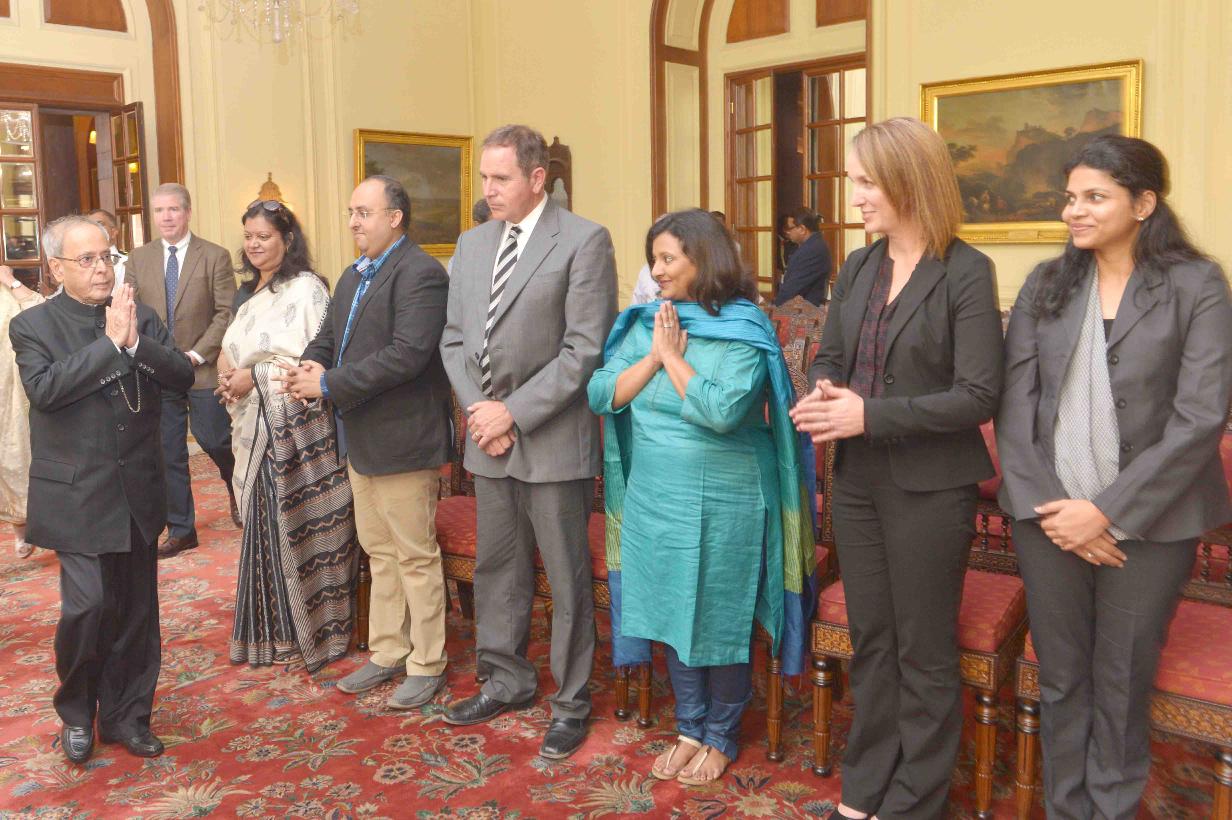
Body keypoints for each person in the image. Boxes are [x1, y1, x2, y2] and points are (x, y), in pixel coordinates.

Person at [996, 135, 1232, 819]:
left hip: (1153, 523)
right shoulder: (1046, 283)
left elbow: (1200, 416)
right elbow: (1015, 409)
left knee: (1123, 682)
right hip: (1048, 520)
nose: (1073, 210)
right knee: (1062, 677)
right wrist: (1054, 509)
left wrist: (1105, 512)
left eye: (1094, 197)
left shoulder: (1197, 284)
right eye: (1070, 197)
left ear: (1144, 203)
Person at [790, 117, 1004, 820]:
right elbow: (831, 356)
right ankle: (866, 787)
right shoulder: (858, 266)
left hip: (931, 488)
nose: (854, 197)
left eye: (865, 183)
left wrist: (869, 415)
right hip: (856, 482)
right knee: (872, 640)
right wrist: (824, 392)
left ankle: (916, 800)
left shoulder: (966, 271)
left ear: (909, 181)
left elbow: (979, 395)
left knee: (923, 650)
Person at [588, 209, 817, 784]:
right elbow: (600, 392)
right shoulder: (647, 322)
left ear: (704, 259)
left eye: (669, 258)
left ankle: (720, 734)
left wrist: (672, 358)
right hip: (653, 498)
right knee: (670, 608)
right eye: (654, 260)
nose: (657, 271)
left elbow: (721, 411)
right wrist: (652, 354)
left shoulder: (744, 326)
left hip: (727, 497)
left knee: (719, 612)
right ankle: (689, 727)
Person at [439, 124, 617, 759]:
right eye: (484, 178)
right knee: (498, 570)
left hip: (552, 440)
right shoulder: (472, 242)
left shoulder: (585, 240)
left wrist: (511, 413)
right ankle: (505, 680)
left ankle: (571, 703)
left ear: (537, 179)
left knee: (566, 580)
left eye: (501, 178)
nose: (488, 190)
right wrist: (480, 413)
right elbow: (454, 339)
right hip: (487, 439)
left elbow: (584, 350)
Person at [8, 215, 194, 764]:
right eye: (85, 259)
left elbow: (181, 376)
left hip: (136, 490)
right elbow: (45, 390)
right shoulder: (33, 325)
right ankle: (75, 712)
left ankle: (126, 717)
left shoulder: (141, 315)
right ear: (56, 268)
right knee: (87, 608)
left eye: (106, 257)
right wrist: (111, 344)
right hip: (76, 496)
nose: (100, 269)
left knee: (136, 614)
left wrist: (135, 341)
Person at [276, 176, 453, 710]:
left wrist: (329, 383)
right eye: (351, 212)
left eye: (364, 212)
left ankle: (428, 662)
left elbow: (407, 355)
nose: (353, 221)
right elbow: (330, 337)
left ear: (395, 218)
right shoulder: (354, 274)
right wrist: (309, 365)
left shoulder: (422, 273)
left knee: (414, 556)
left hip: (403, 439)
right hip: (360, 437)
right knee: (379, 552)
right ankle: (389, 651)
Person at [216, 200, 358, 672]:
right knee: (260, 532)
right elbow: (234, 349)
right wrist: (229, 377)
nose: (254, 245)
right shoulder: (247, 293)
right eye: (248, 237)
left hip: (291, 437)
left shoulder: (308, 289)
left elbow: (311, 363)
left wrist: (253, 378)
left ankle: (301, 634)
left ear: (288, 240)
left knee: (284, 529)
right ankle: (268, 633)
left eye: (264, 237)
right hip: (250, 425)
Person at [126, 183, 239, 556]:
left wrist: (197, 354)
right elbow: (131, 311)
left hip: (201, 368)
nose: (167, 217)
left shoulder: (215, 256)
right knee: (169, 452)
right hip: (160, 370)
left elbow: (226, 312)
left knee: (215, 439)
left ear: (188, 212)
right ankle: (181, 529)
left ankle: (236, 483)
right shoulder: (138, 259)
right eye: (159, 210)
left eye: (173, 209)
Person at [0, 264, 44, 558]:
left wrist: (11, 282)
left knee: (16, 458)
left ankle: (24, 527)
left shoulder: (7, 288)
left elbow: (40, 310)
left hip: (12, 392)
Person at [776, 208, 831, 306]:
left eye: (789, 228)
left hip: (803, 310)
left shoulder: (812, 250)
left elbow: (792, 288)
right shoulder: (813, 245)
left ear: (802, 229)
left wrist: (776, 306)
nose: (787, 232)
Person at [87, 208, 128, 300]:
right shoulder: (79, 262)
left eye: (99, 224)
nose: (93, 229)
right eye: (89, 225)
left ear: (113, 232)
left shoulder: (127, 263)